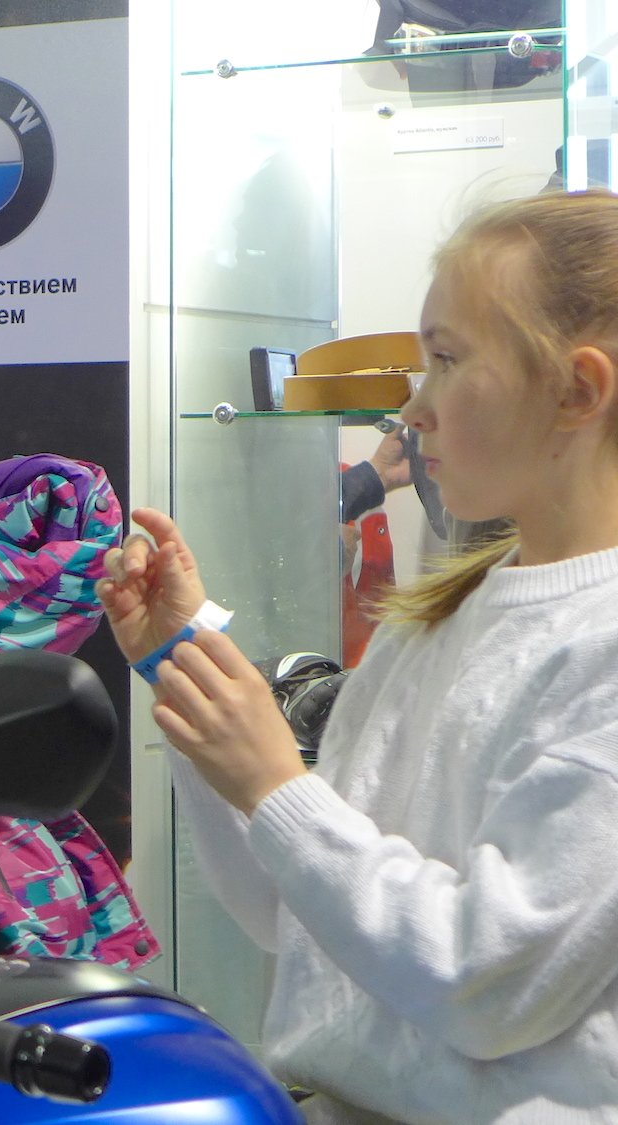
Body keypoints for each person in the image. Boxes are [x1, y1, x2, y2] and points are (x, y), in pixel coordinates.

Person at [98, 189, 618, 1123]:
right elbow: (299, 916)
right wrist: (184, 659)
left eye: (447, 361)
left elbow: (486, 983)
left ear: (577, 390)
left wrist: (275, 786)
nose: (414, 407)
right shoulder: (439, 619)